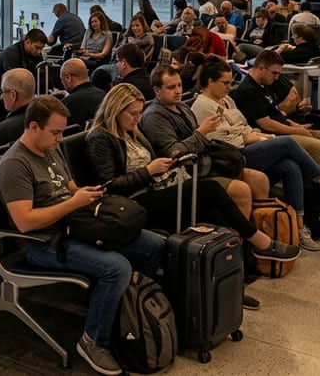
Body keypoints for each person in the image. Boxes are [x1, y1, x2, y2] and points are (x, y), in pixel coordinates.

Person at [0, 95, 164, 376]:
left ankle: (130, 314)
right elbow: (24, 223)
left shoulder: (49, 148)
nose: (60, 139)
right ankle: (94, 341)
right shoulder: (15, 165)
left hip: (76, 225)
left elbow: (69, 185)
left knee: (153, 244)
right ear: (34, 127)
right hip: (43, 242)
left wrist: (86, 196)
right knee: (116, 267)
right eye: (56, 132)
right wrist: (73, 203)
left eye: (62, 132)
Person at [87, 83, 299, 262]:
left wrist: (158, 168)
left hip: (154, 188)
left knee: (216, 216)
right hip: (131, 201)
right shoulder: (100, 138)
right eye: (132, 113)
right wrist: (149, 171)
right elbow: (109, 185)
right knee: (211, 189)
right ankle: (260, 242)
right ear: (116, 110)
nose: (137, 118)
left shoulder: (131, 131)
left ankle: (234, 269)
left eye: (139, 113)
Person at [190, 59, 320, 251]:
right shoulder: (202, 106)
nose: (230, 87)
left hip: (248, 143)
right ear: (210, 82)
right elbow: (220, 141)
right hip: (230, 156)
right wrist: (253, 137)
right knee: (288, 143)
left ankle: (299, 226)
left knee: (290, 166)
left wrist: (257, 135)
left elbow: (243, 126)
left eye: (231, 82)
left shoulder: (227, 100)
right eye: (225, 83)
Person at [139, 64, 270, 218]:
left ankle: (262, 227)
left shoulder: (181, 107)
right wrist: (202, 132)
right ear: (157, 90)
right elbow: (171, 152)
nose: (178, 91)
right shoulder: (154, 116)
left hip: (206, 163)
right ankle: (242, 237)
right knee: (241, 190)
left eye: (180, 85)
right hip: (186, 172)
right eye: (171, 87)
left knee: (260, 179)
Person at [231, 50, 320, 174]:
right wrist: (296, 130)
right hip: (272, 135)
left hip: (285, 128)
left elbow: (276, 113)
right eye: (274, 73)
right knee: (317, 146)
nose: (277, 77)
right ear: (261, 68)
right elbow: (265, 124)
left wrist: (295, 125)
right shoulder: (249, 91)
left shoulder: (265, 85)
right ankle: (313, 188)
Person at [0, 68, 35, 150]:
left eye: (3, 92)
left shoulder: (3, 130)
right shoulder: (45, 116)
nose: (1, 97)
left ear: (13, 95)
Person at [58, 58, 105, 129]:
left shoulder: (68, 103)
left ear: (68, 77)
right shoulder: (105, 95)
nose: (62, 83)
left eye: (61, 79)